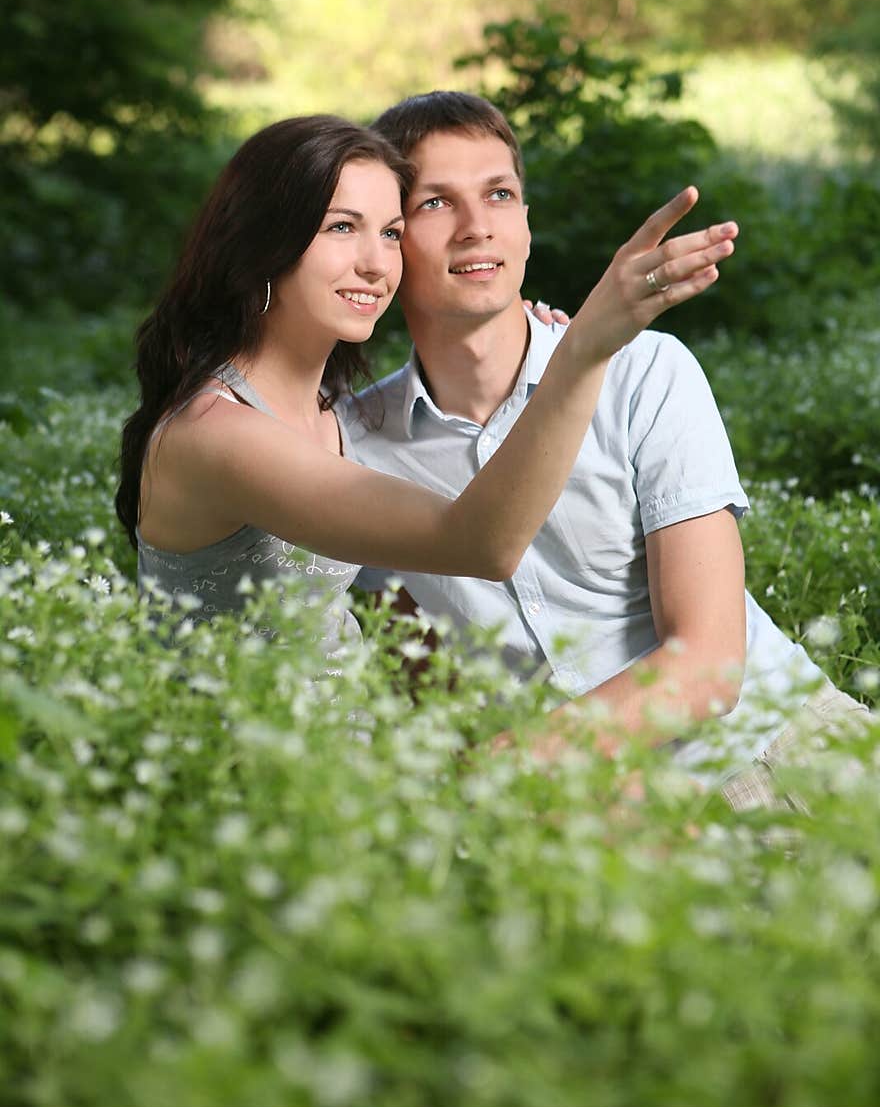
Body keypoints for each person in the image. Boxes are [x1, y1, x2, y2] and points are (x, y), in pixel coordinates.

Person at [340, 92, 867, 807]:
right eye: (436, 204)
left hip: (777, 751)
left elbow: (708, 665)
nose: (476, 228)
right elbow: (423, 675)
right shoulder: (357, 443)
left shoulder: (645, 370)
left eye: (500, 194)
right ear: (392, 239)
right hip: (588, 811)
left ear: (527, 224)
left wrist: (495, 774)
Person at [116, 114, 732, 672]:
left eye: (389, 233)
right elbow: (480, 544)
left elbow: (412, 645)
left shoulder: (345, 422)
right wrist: (584, 351)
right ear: (260, 244)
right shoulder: (215, 432)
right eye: (340, 228)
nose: (374, 264)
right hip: (244, 772)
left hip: (352, 760)